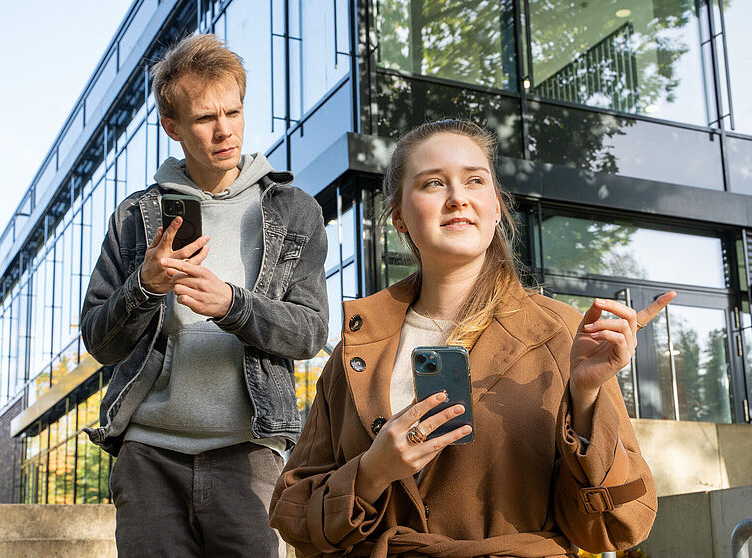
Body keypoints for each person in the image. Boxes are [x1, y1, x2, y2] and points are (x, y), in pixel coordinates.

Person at [269, 119, 674, 557]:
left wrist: (586, 396)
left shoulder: (562, 333)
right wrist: (371, 472)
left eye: (474, 180)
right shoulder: (358, 344)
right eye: (433, 183)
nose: (457, 197)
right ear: (400, 217)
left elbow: (616, 527)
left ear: (496, 206)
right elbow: (294, 515)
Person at [80, 34, 327, 557]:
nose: (224, 131)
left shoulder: (292, 210)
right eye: (204, 119)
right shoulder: (134, 216)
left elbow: (310, 332)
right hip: (150, 456)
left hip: (250, 453)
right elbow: (99, 341)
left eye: (233, 112)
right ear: (172, 127)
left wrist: (233, 306)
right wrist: (144, 287)